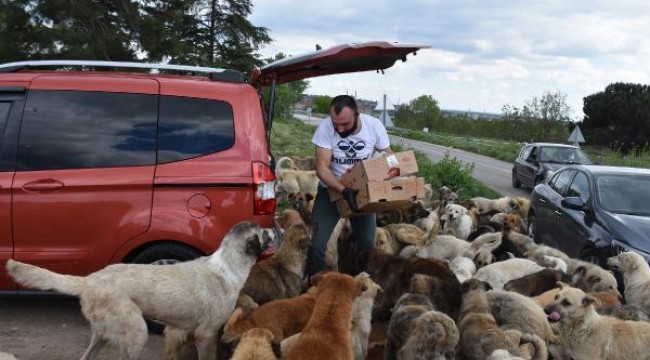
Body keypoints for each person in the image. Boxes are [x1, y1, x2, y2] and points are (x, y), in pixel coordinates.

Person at [307, 95, 391, 276]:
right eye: (335, 123)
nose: (339, 128)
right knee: (316, 245)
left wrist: (393, 171)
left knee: (368, 245)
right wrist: (343, 189)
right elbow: (321, 168)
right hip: (331, 192)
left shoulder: (374, 127)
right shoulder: (326, 128)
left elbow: (389, 156)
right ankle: (312, 287)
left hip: (361, 194)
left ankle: (362, 285)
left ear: (357, 116)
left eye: (344, 124)